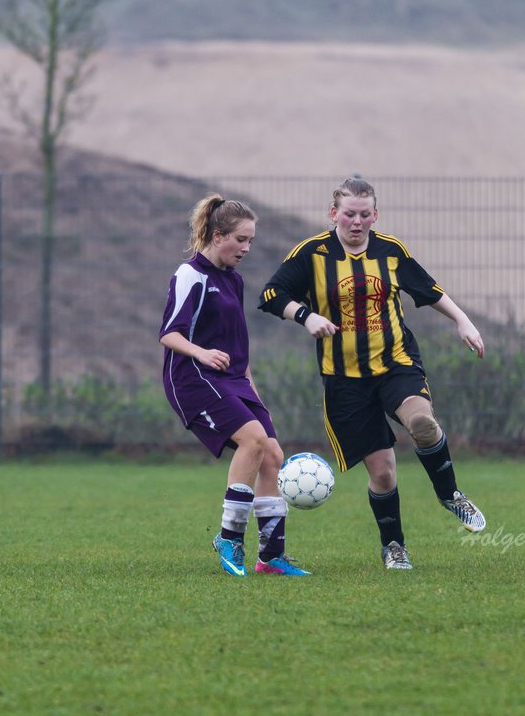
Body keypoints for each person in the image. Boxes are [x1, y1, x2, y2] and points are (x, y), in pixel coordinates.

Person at [258, 175, 487, 571]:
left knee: (422, 424)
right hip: (344, 380)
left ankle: (450, 495)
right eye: (349, 214)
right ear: (334, 214)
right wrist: (306, 315)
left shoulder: (390, 251)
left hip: (395, 363)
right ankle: (394, 546)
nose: (357, 222)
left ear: (375, 214)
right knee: (382, 473)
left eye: (365, 214)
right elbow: (271, 295)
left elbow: (429, 290)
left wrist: (463, 321)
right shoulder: (311, 254)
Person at [160, 193, 309, 577]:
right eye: (240, 239)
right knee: (253, 441)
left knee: (273, 455)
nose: (246, 248)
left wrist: (253, 393)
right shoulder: (190, 274)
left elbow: (235, 346)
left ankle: (271, 557)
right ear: (216, 234)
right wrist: (202, 353)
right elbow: (169, 334)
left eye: (251, 241)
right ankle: (229, 537)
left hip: (233, 380)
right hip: (193, 377)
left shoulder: (234, 280)